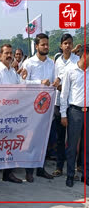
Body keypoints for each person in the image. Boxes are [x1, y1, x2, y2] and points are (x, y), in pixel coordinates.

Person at [0, 44, 25, 188]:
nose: (9, 56)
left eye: (11, 53)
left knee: (10, 145)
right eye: (6, 53)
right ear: (0, 55)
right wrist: (15, 93)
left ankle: (8, 173)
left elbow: (22, 87)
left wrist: (36, 82)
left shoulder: (13, 72)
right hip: (0, 113)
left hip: (13, 114)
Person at [22, 33, 56, 182]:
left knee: (44, 138)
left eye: (47, 44)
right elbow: (22, 83)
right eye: (43, 44)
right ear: (36, 46)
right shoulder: (29, 63)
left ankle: (40, 168)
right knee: (31, 138)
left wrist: (55, 84)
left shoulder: (51, 63)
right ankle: (29, 170)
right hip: (32, 107)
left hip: (47, 106)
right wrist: (39, 82)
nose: (46, 47)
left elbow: (54, 81)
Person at [60, 44, 89, 187]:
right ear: (84, 55)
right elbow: (64, 94)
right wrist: (63, 114)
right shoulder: (70, 70)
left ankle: (86, 174)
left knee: (87, 146)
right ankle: (70, 175)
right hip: (74, 112)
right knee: (72, 146)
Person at [52, 34, 80, 178]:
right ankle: (59, 167)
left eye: (70, 43)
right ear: (61, 46)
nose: (67, 46)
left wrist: (62, 87)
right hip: (58, 102)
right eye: (65, 43)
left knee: (73, 140)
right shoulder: (57, 61)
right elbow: (55, 80)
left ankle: (73, 169)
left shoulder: (77, 61)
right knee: (60, 138)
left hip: (73, 104)